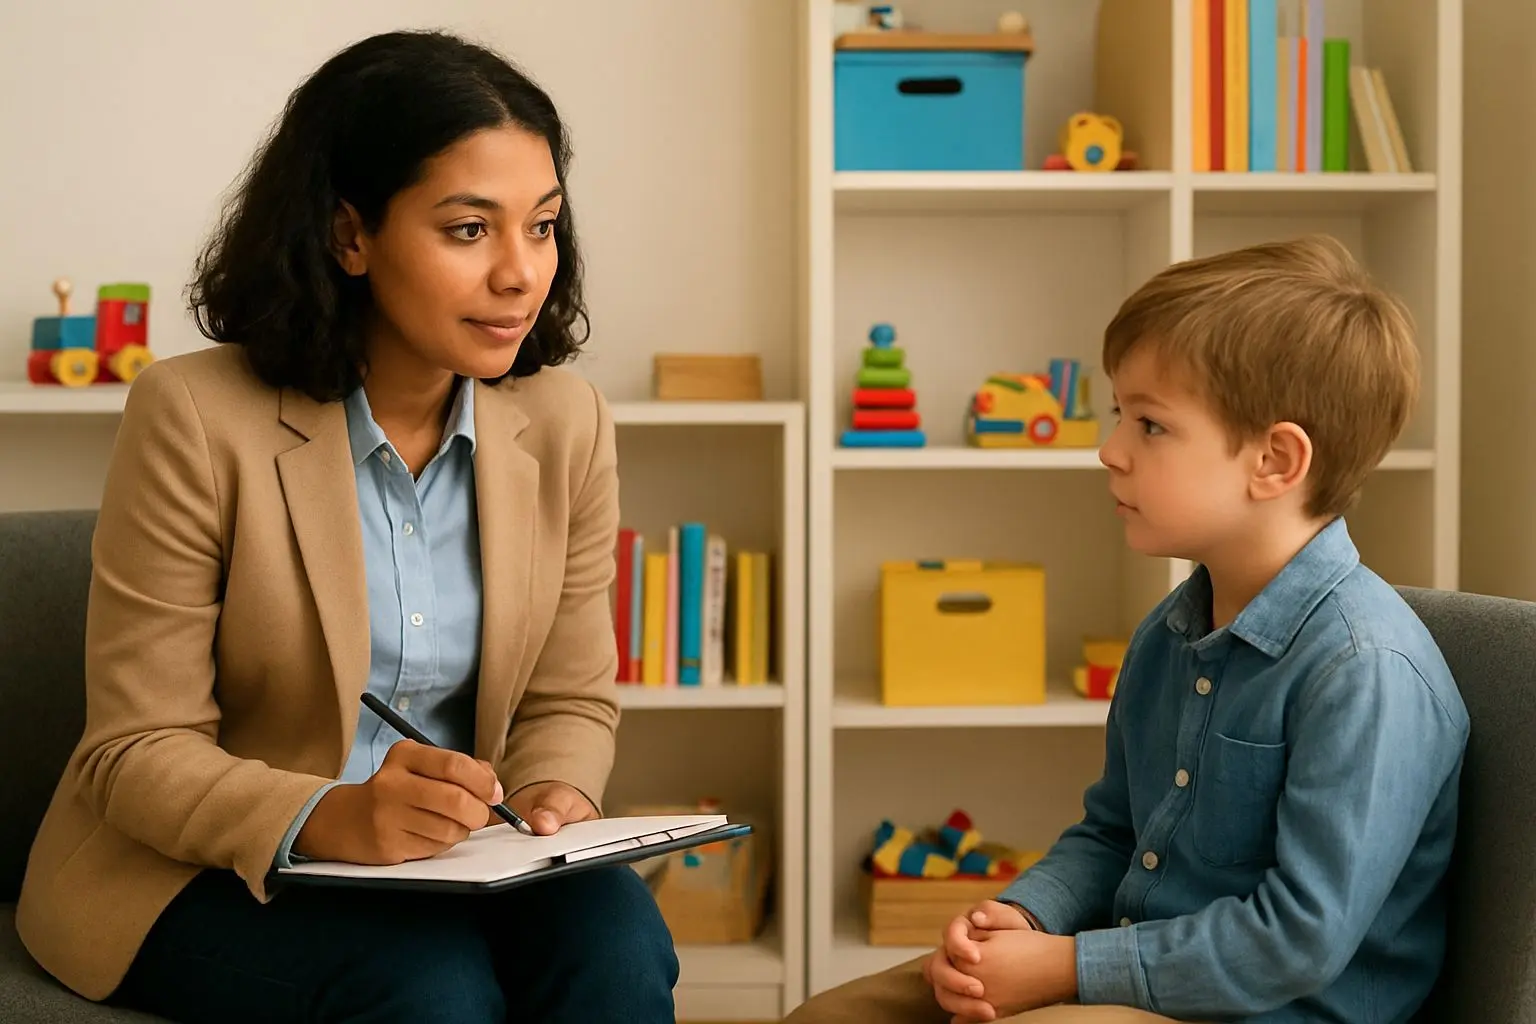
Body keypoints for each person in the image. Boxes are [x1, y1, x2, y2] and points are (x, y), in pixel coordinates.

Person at [15, 29, 678, 1024]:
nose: (519, 273)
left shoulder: (565, 422)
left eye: (540, 227)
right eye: (469, 230)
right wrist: (333, 814)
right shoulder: (193, 415)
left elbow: (571, 697)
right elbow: (136, 751)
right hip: (194, 872)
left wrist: (554, 800)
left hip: (458, 860)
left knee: (620, 937)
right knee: (428, 987)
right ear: (349, 234)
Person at [787, 236, 1469, 1024]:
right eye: (1119, 414)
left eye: (1149, 425)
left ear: (1275, 460)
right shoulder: (1170, 632)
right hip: (1134, 967)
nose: (1109, 450)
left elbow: (1296, 941)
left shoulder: (1364, 669)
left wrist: (1066, 968)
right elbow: (1113, 831)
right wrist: (1026, 918)